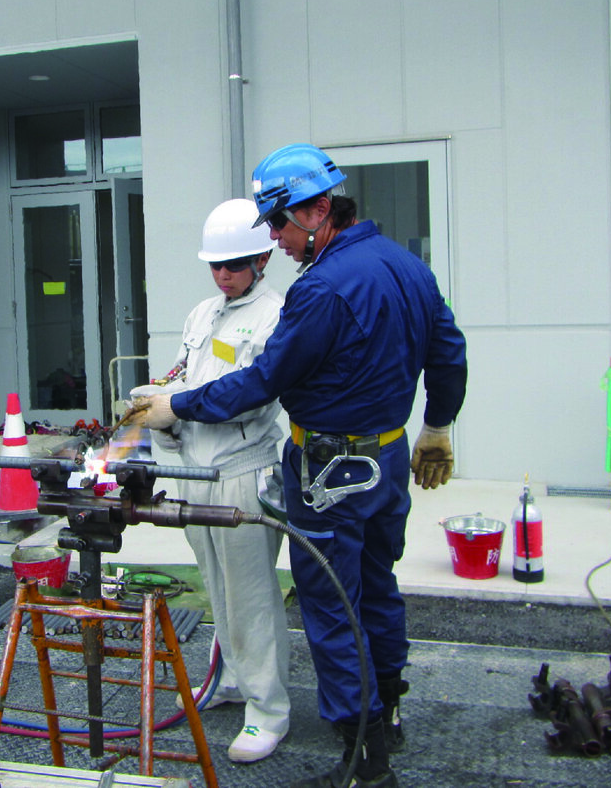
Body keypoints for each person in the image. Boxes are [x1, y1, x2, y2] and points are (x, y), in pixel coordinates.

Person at [129, 144, 468, 788]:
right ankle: (387, 708)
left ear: (316, 210)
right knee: (375, 581)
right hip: (390, 455)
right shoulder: (408, 266)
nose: (277, 242)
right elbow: (449, 356)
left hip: (329, 468)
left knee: (331, 601)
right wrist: (437, 428)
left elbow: (262, 382)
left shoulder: (321, 290)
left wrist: (178, 404)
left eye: (279, 225)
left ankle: (364, 760)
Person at [141, 198, 291, 763]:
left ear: (260, 260)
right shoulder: (203, 313)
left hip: (242, 469)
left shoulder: (278, 315)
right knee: (216, 585)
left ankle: (268, 710)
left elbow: (252, 398)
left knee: (251, 595)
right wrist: (157, 403)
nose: (223, 276)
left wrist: (176, 407)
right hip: (194, 470)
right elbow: (185, 372)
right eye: (215, 266)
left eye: (233, 266)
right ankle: (231, 679)